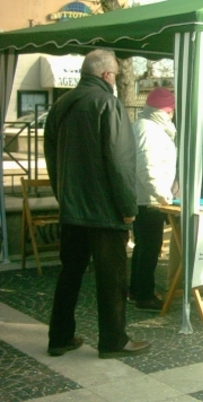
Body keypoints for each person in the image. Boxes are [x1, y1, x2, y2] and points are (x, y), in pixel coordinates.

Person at [44, 49, 150, 359]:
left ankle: (59, 336)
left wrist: (64, 195)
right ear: (107, 75)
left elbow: (52, 157)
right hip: (104, 211)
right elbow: (119, 162)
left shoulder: (61, 104)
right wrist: (128, 208)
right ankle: (114, 340)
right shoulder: (107, 103)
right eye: (115, 74)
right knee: (112, 278)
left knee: (70, 273)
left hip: (72, 209)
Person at [129, 87, 177, 311]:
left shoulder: (145, 126)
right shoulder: (149, 130)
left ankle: (136, 289)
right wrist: (162, 194)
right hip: (149, 199)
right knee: (149, 248)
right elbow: (147, 167)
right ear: (167, 111)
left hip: (145, 197)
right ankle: (144, 295)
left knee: (143, 247)